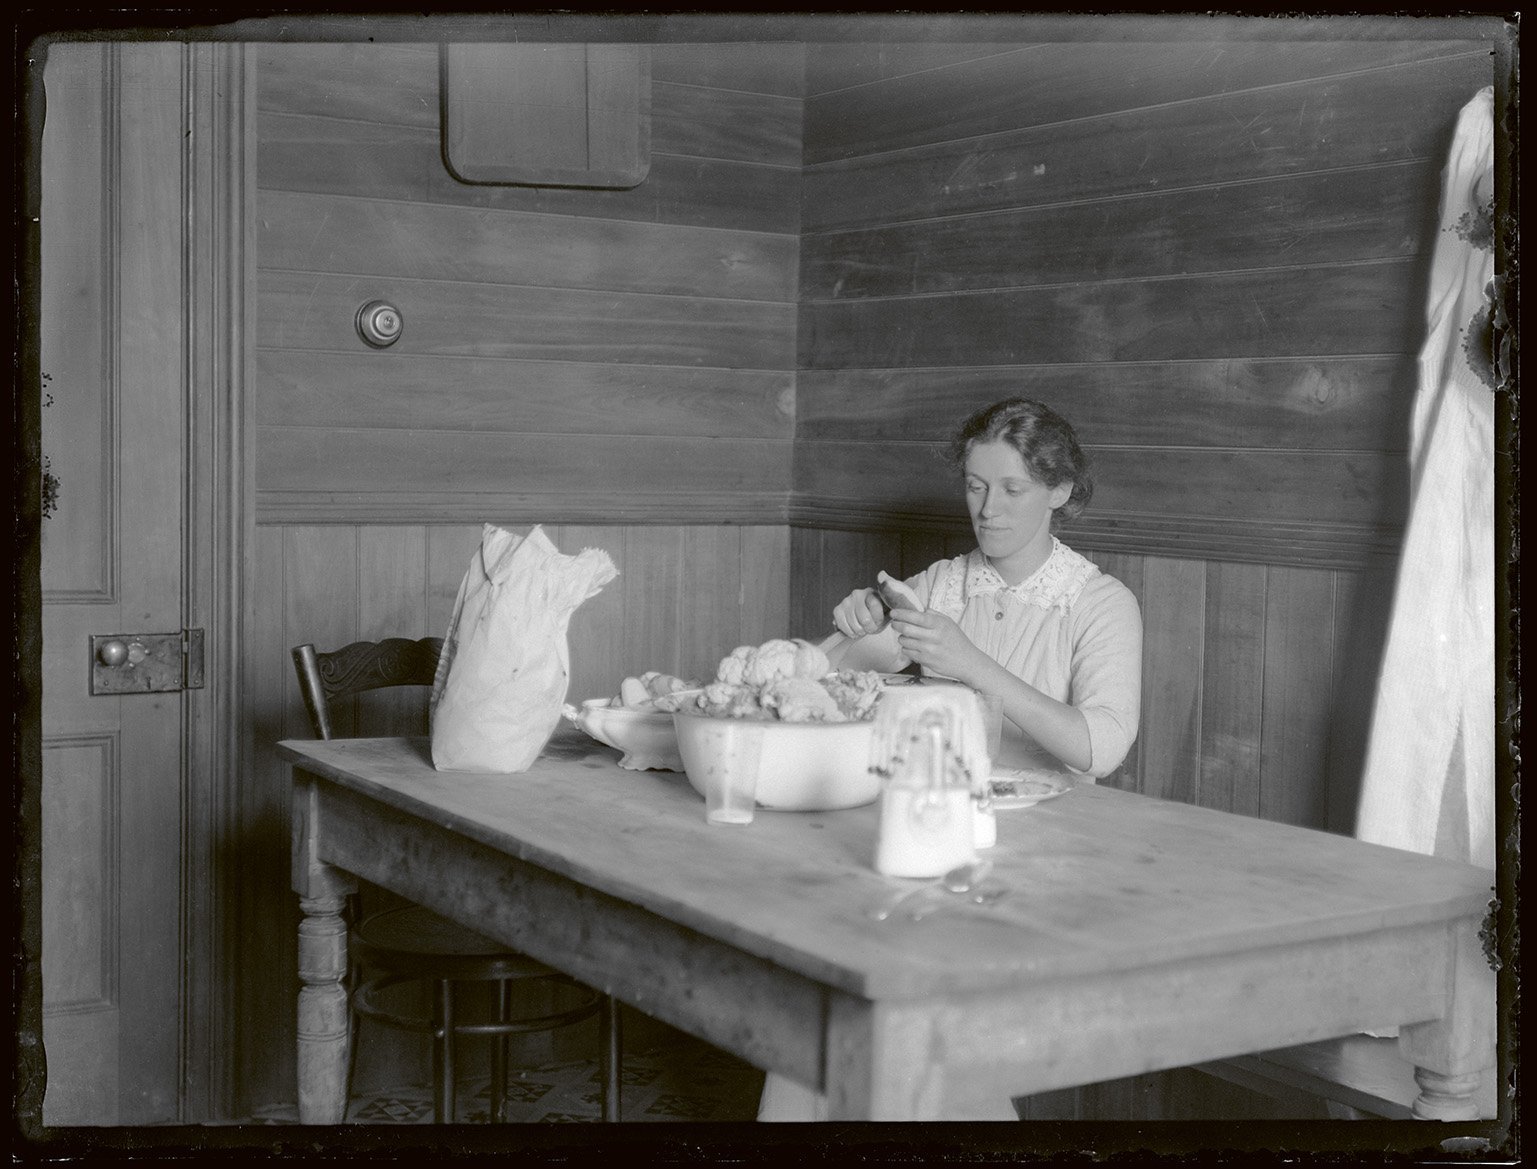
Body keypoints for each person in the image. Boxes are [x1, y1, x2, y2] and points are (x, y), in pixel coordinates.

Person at [757, 396, 1143, 1122]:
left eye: (1011, 488)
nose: (987, 508)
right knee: (834, 985)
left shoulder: (1099, 603)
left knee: (918, 1006)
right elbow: (840, 680)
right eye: (973, 484)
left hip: (1047, 859)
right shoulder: (940, 583)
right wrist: (848, 636)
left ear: (1059, 492)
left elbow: (1101, 746)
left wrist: (969, 660)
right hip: (929, 828)